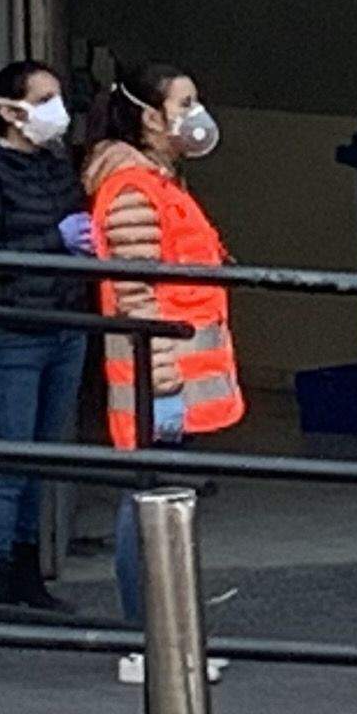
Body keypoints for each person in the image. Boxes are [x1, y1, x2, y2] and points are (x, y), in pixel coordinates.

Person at [82, 65, 244, 669]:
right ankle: (149, 643)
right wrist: (164, 374)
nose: (197, 113)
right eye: (186, 102)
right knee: (151, 505)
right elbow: (136, 290)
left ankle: (163, 641)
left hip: (169, 375)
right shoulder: (134, 186)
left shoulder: (156, 181)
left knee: (162, 503)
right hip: (161, 377)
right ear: (150, 116)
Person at [0, 58, 93, 611]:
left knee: (42, 457)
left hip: (65, 327)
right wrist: (57, 242)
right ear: (8, 110)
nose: (58, 111)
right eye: (44, 98)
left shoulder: (54, 165)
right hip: (11, 332)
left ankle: (27, 573)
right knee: (10, 460)